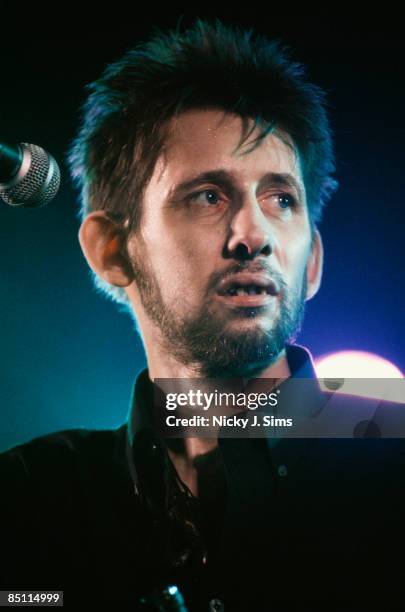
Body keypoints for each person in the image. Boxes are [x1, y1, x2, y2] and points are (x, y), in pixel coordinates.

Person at [1, 20, 404, 612]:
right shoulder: (31, 498)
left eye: (281, 200)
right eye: (208, 196)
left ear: (312, 261)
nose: (253, 234)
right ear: (112, 250)